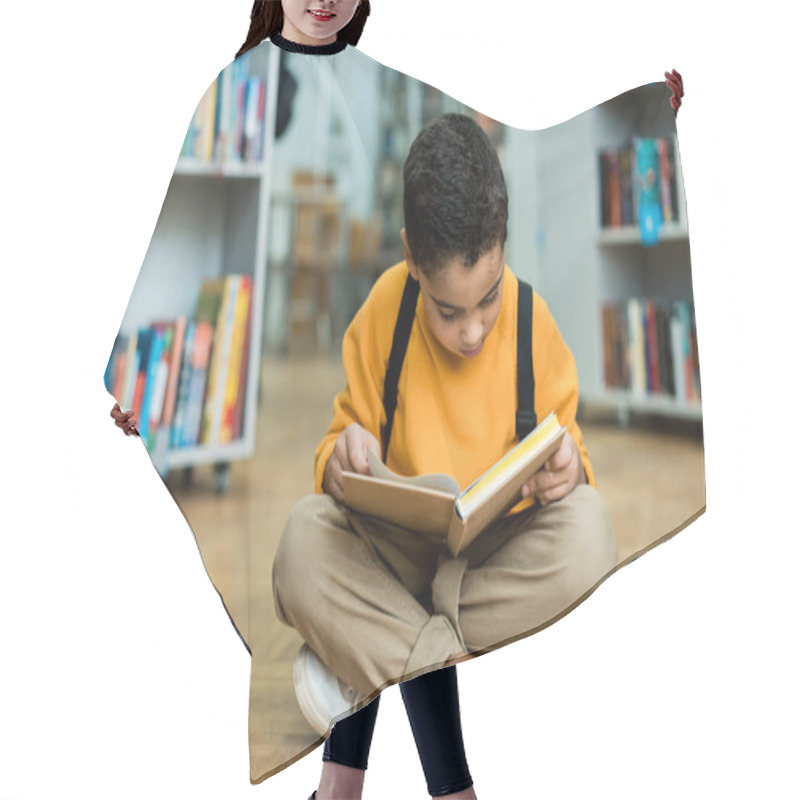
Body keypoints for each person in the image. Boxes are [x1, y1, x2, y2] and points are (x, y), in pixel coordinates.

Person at [108, 5, 686, 799]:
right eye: (450, 311)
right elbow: (338, 455)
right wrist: (343, 458)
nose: (473, 329)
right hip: (398, 550)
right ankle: (425, 675)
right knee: (304, 538)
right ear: (412, 260)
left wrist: (567, 472)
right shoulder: (384, 309)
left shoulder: (534, 326)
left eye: (486, 299)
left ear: (504, 245)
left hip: (488, 558)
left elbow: (568, 458)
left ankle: (367, 669)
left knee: (592, 530)